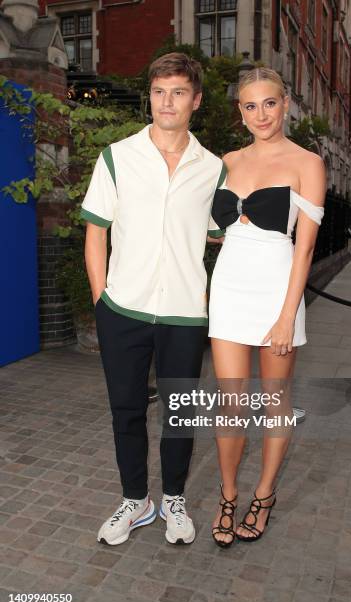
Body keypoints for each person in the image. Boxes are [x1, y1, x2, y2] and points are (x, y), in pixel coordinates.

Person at [81, 53, 224, 546]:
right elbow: (95, 233)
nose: (167, 102)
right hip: (123, 309)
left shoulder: (213, 169)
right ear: (151, 96)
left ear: (195, 100)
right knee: (125, 410)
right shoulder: (117, 157)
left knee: (179, 413)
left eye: (179, 92)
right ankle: (135, 500)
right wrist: (102, 301)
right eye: (160, 91)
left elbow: (218, 235)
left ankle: (174, 501)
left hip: (185, 313)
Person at [208, 67, 326, 547]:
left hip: (279, 290)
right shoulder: (226, 160)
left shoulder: (308, 162)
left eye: (270, 103)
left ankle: (264, 495)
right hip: (229, 290)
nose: (262, 114)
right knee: (230, 405)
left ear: (286, 103)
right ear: (241, 111)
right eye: (251, 105)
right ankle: (228, 496)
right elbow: (212, 229)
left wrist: (285, 315)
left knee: (275, 403)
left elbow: (305, 250)